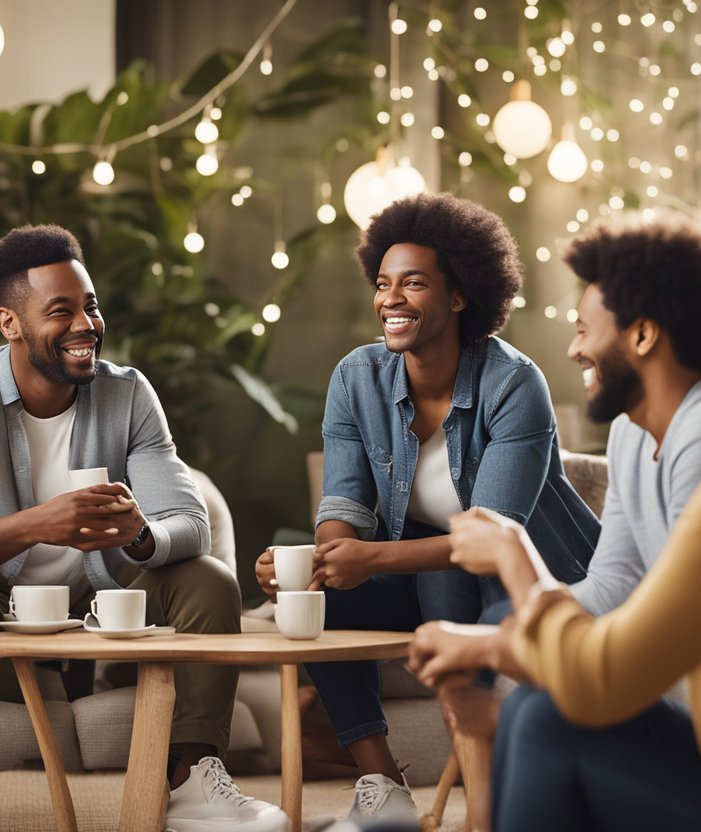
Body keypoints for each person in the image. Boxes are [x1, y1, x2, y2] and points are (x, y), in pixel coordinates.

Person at [0, 224, 287, 832]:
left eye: (91, 305)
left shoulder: (128, 395)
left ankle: (192, 782)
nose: (86, 324)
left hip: (108, 596)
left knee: (207, 579)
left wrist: (138, 534)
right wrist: (34, 525)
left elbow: (191, 525)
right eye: (61, 311)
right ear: (10, 323)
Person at [438, 212, 701, 831]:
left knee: (547, 715)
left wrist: (513, 555)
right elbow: (616, 585)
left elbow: (609, 676)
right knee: (541, 705)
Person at [255, 193, 600, 827]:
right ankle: (381, 783)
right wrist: (321, 561)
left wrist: (373, 557)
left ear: (460, 296)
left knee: (445, 565)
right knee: (307, 603)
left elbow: (495, 531)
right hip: (424, 565)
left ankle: (486, 801)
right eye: (383, 284)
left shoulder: (513, 384)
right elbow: (343, 504)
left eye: (413, 284)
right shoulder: (356, 378)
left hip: (528, 578)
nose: (391, 299)